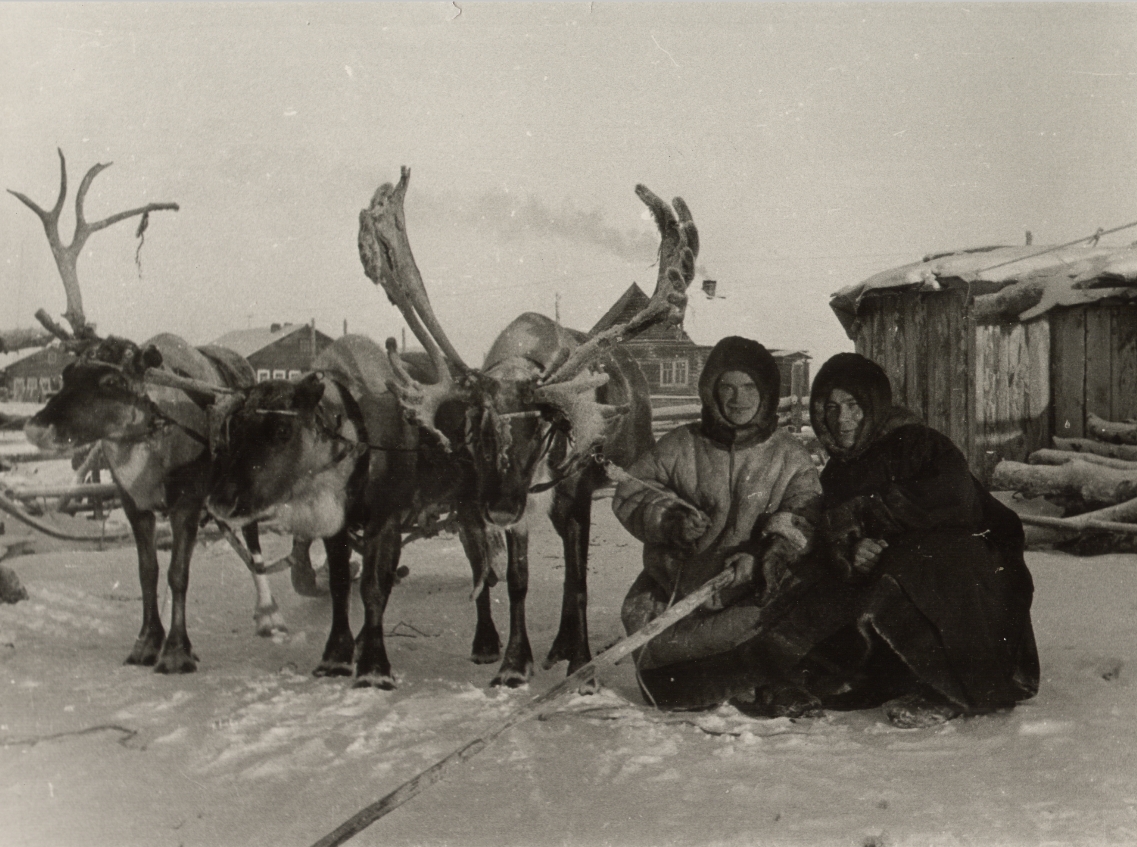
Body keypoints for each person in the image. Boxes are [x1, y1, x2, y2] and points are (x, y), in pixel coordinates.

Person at [798, 352, 1040, 727]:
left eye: (853, 405)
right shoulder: (835, 474)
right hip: (907, 568)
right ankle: (902, 673)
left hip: (975, 565)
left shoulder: (917, 442)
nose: (841, 419)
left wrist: (872, 514)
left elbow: (955, 500)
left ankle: (955, 687)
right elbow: (832, 533)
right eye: (829, 408)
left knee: (919, 561)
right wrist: (852, 549)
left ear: (874, 405)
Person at [612, 336, 824, 710]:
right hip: (679, 594)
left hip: (752, 594)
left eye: (748, 387)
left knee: (784, 619)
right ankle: (729, 682)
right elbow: (633, 491)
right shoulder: (682, 444)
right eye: (726, 386)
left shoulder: (787, 454)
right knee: (656, 653)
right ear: (710, 391)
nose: (737, 398)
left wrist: (762, 557)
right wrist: (670, 518)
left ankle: (757, 679)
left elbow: (804, 512)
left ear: (766, 392)